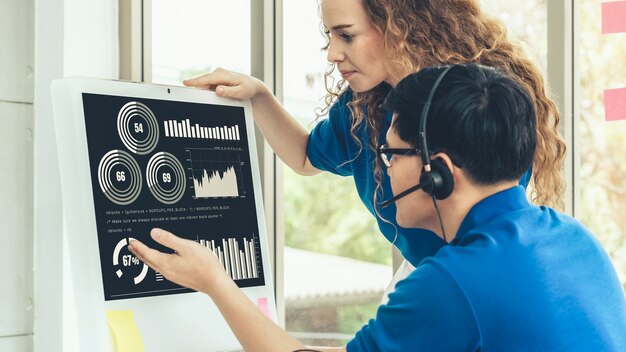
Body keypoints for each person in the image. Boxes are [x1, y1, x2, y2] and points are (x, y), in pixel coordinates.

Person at [129, 63, 626, 351]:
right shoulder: (573, 238)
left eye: (390, 154)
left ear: (440, 172)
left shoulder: (452, 283)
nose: (381, 169)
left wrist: (215, 280)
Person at [182, 0, 566, 270]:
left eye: (346, 35)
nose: (332, 52)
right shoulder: (362, 106)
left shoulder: (478, 106)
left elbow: (490, 233)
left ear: (402, 25)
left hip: (476, 277)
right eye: (329, 35)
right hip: (430, 277)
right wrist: (259, 96)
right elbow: (304, 157)